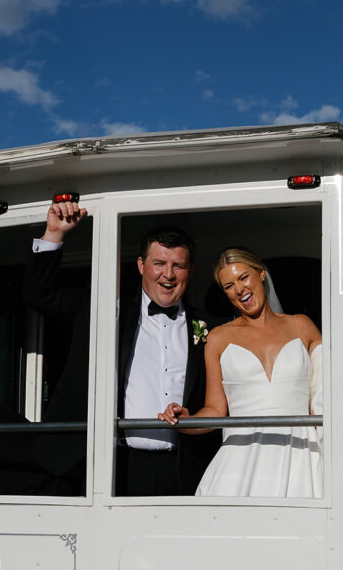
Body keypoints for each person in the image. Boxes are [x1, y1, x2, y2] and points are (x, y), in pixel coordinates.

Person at [24, 200, 216, 496]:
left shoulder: (209, 327)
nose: (168, 274)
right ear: (141, 265)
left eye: (178, 265)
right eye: (159, 263)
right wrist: (54, 234)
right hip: (115, 466)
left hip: (186, 469)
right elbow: (40, 297)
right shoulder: (103, 309)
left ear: (189, 270)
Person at [159, 247, 323, 497]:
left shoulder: (302, 326)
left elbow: (326, 394)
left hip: (302, 454)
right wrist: (184, 421)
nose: (239, 290)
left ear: (261, 274)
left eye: (243, 277)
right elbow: (215, 410)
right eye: (228, 286)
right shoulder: (218, 338)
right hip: (241, 458)